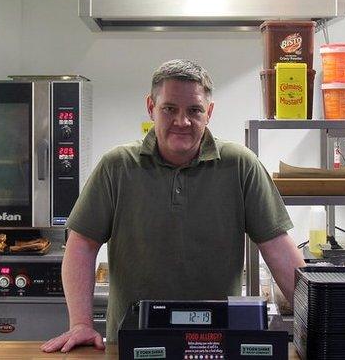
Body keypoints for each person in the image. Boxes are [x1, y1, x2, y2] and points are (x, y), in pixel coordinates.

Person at [41, 59, 305, 353]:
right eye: (170, 109)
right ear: (151, 107)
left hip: (216, 348)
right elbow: (82, 244)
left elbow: (277, 246)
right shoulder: (117, 166)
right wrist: (80, 323)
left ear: (210, 112)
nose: (183, 121)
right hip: (133, 347)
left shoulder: (240, 165)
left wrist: (317, 325)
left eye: (194, 110)